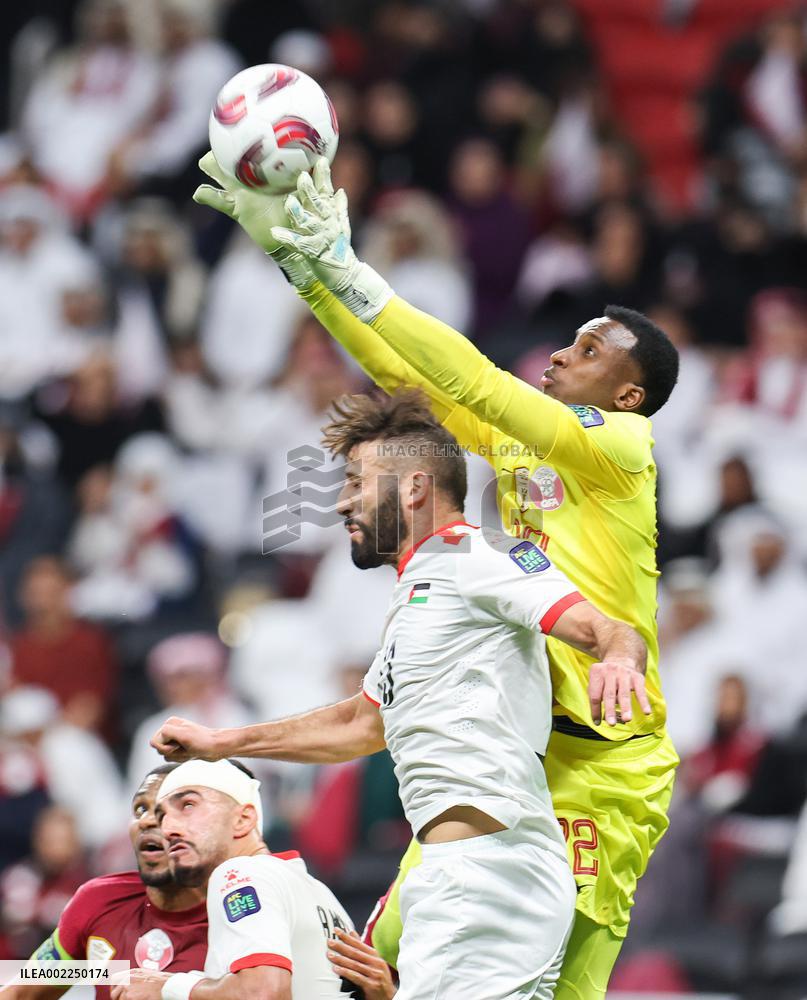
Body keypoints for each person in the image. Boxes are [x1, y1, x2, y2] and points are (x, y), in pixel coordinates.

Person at [190, 152, 680, 999]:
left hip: (604, 767)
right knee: (372, 963)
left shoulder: (618, 449)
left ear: (627, 396)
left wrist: (350, 267)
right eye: (568, 339)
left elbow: (477, 382)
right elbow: (408, 382)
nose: (561, 354)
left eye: (588, 349)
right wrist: (304, 270)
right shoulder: (529, 450)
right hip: (510, 760)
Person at [151, 392, 650, 1000]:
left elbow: (604, 628)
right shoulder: (420, 588)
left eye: (357, 482)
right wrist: (221, 743)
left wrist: (619, 660)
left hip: (481, 872)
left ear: (414, 489)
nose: (340, 501)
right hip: (476, 872)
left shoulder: (474, 553)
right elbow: (361, 724)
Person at [111, 758, 359, 1000]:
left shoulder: (239, 879)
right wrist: (105, 972)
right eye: (151, 812)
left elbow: (261, 991)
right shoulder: (320, 894)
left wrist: (166, 986)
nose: (164, 828)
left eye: (188, 805)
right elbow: (75, 973)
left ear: (243, 819)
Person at [3, 765, 207, 1000]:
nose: (147, 821)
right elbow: (19, 992)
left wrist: (174, 988)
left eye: (168, 811)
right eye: (140, 809)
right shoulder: (98, 901)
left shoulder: (238, 913)